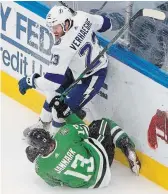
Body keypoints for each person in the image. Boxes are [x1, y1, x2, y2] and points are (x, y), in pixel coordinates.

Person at [18, 5, 125, 136]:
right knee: (54, 93)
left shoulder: (62, 47)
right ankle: (43, 124)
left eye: (56, 27)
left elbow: (52, 82)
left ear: (66, 23)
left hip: (93, 75)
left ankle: (55, 139)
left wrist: (31, 80)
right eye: (52, 28)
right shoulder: (82, 17)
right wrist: (118, 21)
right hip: (76, 69)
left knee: (61, 111)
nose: (54, 31)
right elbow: (104, 23)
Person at [25, 97, 141, 189]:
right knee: (102, 124)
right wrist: (67, 114)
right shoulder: (65, 134)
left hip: (87, 185)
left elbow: (55, 183)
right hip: (102, 162)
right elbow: (84, 129)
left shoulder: (41, 168)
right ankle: (126, 144)